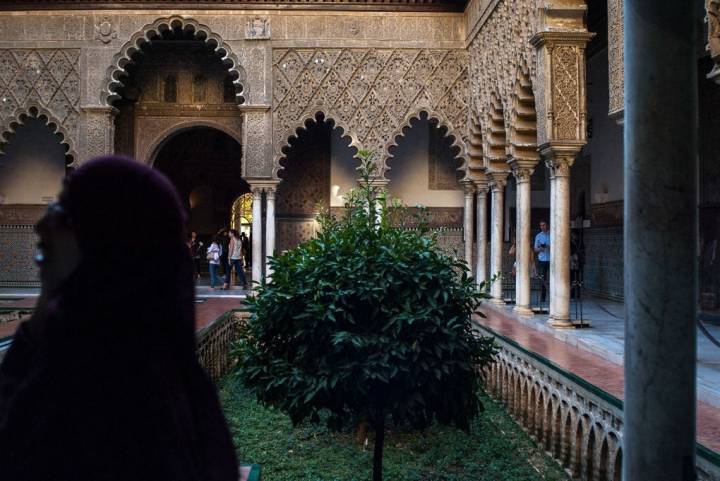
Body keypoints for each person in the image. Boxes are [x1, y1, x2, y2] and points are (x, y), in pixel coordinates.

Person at [0, 156, 238, 481]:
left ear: (104, 240)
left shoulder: (106, 395)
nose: (42, 227)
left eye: (62, 214)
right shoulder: (161, 372)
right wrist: (54, 295)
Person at [534, 220, 551, 303]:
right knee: (543, 279)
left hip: (551, 259)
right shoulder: (538, 236)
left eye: (544, 225)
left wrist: (548, 246)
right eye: (541, 225)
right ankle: (543, 297)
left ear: (547, 225)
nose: (542, 227)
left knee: (553, 278)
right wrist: (540, 248)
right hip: (542, 259)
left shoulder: (552, 234)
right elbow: (535, 249)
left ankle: (554, 297)